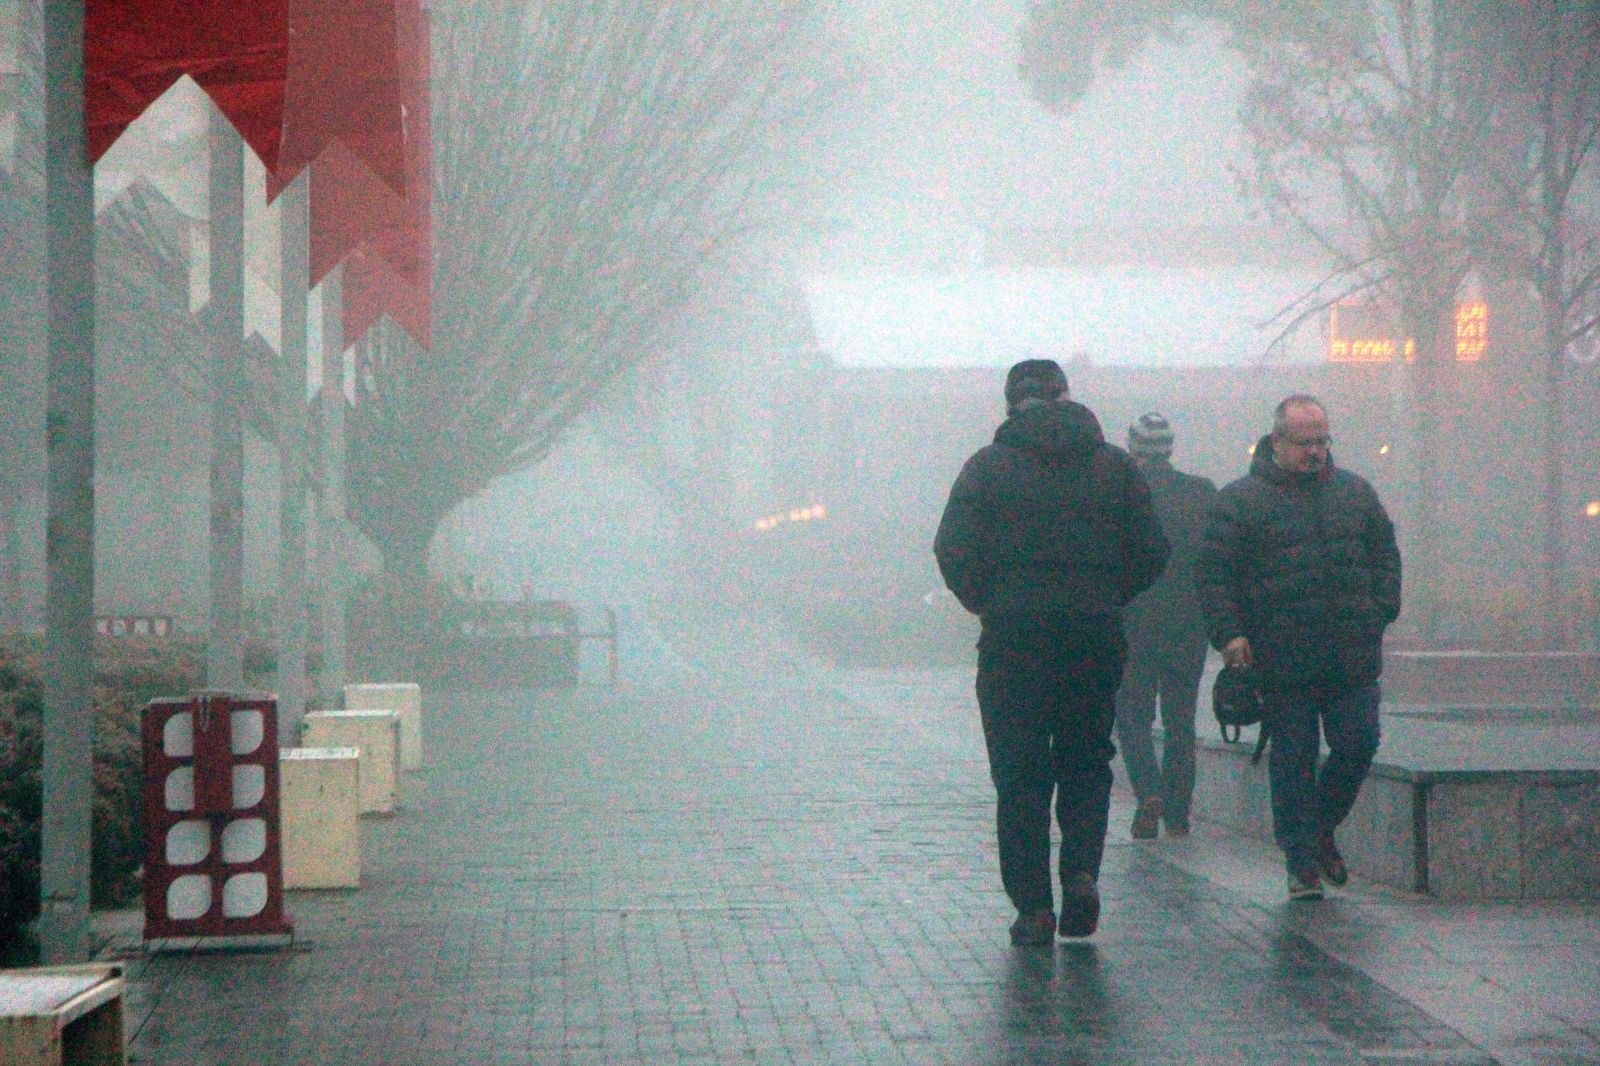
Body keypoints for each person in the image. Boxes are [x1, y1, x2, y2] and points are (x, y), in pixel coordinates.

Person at [934, 359, 1168, 943]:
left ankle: (1034, 907)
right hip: (1092, 634)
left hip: (1013, 639)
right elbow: (1152, 549)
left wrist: (989, 601)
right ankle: (1082, 873)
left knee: (1020, 774)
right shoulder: (1114, 466)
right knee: (1087, 762)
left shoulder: (986, 469)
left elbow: (952, 549)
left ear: (1011, 403)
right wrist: (1107, 595)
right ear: (1066, 397)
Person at [1195, 395, 1401, 900]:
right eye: (1304, 443)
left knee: (1359, 743)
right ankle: (1301, 860)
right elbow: (1213, 575)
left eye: (1322, 441)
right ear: (1277, 442)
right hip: (1281, 657)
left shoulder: (1355, 493)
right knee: (1293, 756)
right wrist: (1230, 634)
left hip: (1350, 654)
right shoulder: (1240, 501)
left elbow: (1385, 556)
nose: (1315, 452)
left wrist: (1380, 611)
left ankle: (1318, 828)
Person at [1115, 413, 1218, 840]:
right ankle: (1178, 812)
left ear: (1134, 449)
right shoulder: (1200, 493)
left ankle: (1149, 792)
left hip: (1133, 625)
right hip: (1187, 627)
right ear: (1170, 449)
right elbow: (1213, 560)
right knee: (1181, 720)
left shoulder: (1121, 495)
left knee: (1132, 716)